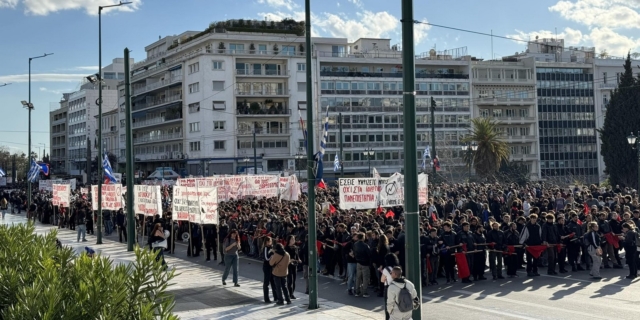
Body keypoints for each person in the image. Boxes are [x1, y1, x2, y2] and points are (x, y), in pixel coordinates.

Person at [380, 253, 400, 320]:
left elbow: (382, 280)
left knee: (388, 306)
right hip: (398, 287)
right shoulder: (398, 268)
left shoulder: (386, 269)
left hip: (388, 288)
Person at [353, 232, 371, 297]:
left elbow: (354, 252)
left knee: (358, 277)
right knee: (365, 278)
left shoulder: (355, 244)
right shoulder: (365, 245)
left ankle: (357, 291)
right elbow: (369, 254)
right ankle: (364, 292)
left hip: (358, 262)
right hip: (365, 263)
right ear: (363, 237)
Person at [261, 236, 277, 303]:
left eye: (270, 241)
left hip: (272, 266)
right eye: (268, 241)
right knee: (266, 283)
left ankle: (276, 297)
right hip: (267, 266)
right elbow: (266, 258)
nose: (269, 243)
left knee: (273, 282)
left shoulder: (271, 247)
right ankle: (266, 298)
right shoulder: (265, 248)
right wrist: (271, 253)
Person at [284, 235, 300, 299]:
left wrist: (298, 259)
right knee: (290, 280)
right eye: (292, 239)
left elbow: (297, 255)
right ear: (289, 240)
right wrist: (290, 260)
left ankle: (292, 293)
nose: (294, 240)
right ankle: (290, 293)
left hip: (295, 265)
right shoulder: (286, 248)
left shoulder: (295, 247)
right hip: (289, 265)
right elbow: (285, 257)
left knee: (294, 280)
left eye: (294, 239)